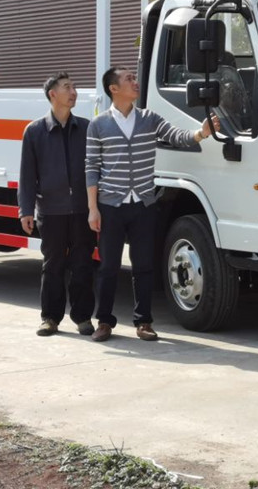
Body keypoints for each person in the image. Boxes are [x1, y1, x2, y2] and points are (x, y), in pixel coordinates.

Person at [85, 66, 219, 342]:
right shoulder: (98, 125)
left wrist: (201, 133)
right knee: (109, 267)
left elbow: (176, 136)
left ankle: (143, 321)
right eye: (129, 79)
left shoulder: (149, 118)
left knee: (144, 265)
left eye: (134, 78)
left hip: (143, 204)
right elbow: (91, 168)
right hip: (110, 205)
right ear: (113, 89)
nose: (135, 82)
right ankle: (105, 322)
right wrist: (93, 208)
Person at [19, 72, 96, 337]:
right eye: (67, 87)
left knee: (83, 264)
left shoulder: (86, 128)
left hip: (82, 210)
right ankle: (50, 318)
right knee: (52, 265)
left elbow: (97, 169)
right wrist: (25, 211)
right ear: (53, 94)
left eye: (74, 87)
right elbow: (27, 175)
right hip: (51, 210)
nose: (73, 91)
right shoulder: (35, 131)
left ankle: (83, 317)